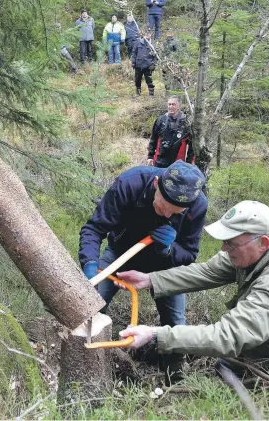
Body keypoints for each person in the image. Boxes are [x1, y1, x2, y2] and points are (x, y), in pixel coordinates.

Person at [118, 200, 269, 370]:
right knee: (228, 365)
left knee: (228, 368)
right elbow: (208, 271)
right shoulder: (266, 246)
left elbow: (226, 336)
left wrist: (155, 335)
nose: (223, 249)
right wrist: (150, 280)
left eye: (230, 243)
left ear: (263, 243)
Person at [79, 160, 208, 384]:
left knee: (176, 321)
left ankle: (174, 374)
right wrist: (90, 265)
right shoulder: (130, 184)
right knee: (90, 304)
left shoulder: (197, 205)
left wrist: (169, 249)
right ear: (156, 184)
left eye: (175, 212)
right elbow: (94, 228)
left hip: (166, 267)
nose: (167, 215)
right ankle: (84, 364)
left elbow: (189, 253)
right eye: (162, 206)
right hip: (120, 255)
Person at [147, 96, 195, 168]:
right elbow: (153, 139)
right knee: (158, 179)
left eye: (173, 104)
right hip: (159, 161)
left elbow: (192, 146)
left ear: (179, 106)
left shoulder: (186, 123)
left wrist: (189, 162)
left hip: (178, 164)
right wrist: (150, 156)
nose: (171, 106)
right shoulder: (160, 120)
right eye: (169, 104)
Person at [131, 30, 157, 97]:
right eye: (146, 33)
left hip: (148, 66)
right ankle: (138, 93)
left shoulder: (153, 44)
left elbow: (155, 57)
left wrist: (153, 64)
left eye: (149, 33)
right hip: (138, 65)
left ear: (150, 34)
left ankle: (151, 95)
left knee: (149, 80)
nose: (147, 34)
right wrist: (133, 62)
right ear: (143, 34)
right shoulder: (138, 42)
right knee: (137, 80)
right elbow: (134, 53)